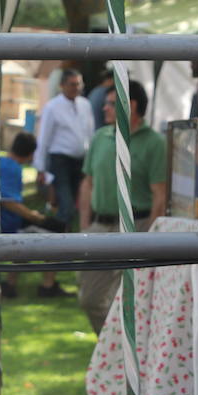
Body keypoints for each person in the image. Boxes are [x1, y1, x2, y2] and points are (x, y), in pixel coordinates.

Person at [77, 80, 167, 333]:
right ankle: (112, 350)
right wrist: (85, 226)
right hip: (98, 227)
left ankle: (118, 359)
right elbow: (87, 184)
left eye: (110, 103)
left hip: (135, 228)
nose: (104, 108)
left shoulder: (154, 143)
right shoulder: (100, 137)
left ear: (132, 106)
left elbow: (159, 194)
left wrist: (148, 237)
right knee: (90, 299)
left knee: (129, 301)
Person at [0, 132, 65, 298]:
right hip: (3, 228)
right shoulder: (12, 168)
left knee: (31, 232)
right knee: (56, 236)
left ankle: (10, 284)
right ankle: (48, 286)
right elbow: (8, 201)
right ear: (31, 154)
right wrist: (35, 217)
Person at [33, 68, 95, 231]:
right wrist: (40, 168)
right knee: (66, 204)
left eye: (78, 84)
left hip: (80, 160)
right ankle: (54, 236)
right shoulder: (52, 107)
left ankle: (63, 236)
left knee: (74, 203)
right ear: (62, 85)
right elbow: (44, 138)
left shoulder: (85, 104)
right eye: (72, 84)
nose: (76, 88)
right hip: (60, 160)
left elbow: (89, 132)